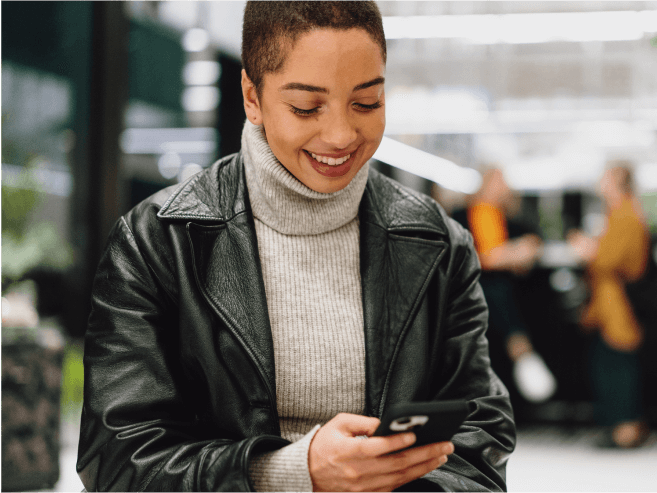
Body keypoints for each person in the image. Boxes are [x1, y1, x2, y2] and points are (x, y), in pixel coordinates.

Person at [76, 2, 515, 491]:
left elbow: (481, 441)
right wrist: (291, 473)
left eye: (367, 102)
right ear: (252, 97)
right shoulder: (159, 242)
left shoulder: (437, 245)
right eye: (307, 107)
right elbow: (116, 461)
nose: (341, 135)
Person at [452, 168, 556, 404]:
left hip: (505, 295)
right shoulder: (461, 217)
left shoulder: (511, 219)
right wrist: (507, 255)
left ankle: (521, 352)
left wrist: (508, 256)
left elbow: (528, 249)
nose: (503, 188)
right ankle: (521, 350)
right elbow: (478, 258)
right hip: (475, 293)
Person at [568, 162, 651, 448]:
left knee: (617, 366)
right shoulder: (619, 212)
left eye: (605, 176)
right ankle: (622, 426)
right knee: (609, 363)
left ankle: (626, 429)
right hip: (611, 305)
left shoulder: (626, 213)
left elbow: (610, 260)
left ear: (617, 180)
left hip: (619, 307)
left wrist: (587, 249)